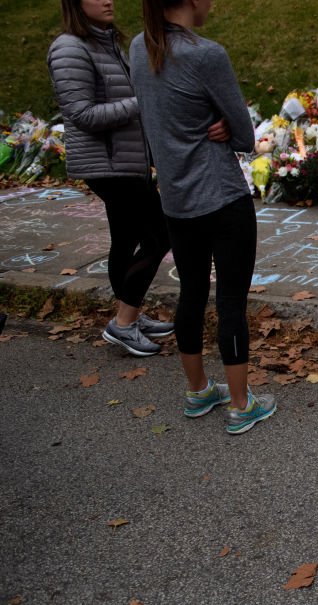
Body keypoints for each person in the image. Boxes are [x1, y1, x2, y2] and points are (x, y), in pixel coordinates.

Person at [129, 0, 275, 434]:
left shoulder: (141, 46)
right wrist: (225, 126)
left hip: (175, 198)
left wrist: (217, 122)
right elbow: (247, 137)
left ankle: (197, 391)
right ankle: (240, 403)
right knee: (231, 300)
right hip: (222, 197)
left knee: (191, 292)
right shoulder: (205, 54)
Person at [47, 0, 175, 357]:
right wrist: (142, 102)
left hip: (125, 161)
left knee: (126, 237)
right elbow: (81, 113)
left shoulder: (103, 41)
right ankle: (123, 322)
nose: (108, 0)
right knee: (160, 233)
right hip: (107, 164)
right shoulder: (69, 48)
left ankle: (130, 317)